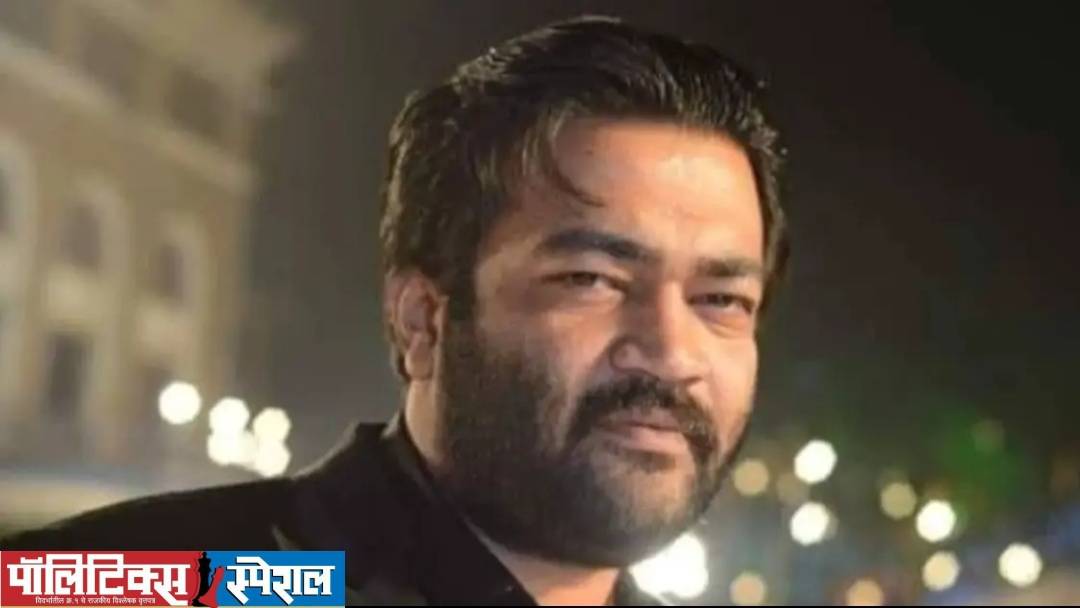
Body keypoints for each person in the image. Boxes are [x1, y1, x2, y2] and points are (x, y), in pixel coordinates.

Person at [2, 15, 788, 605]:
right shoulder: (129, 585)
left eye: (721, 300)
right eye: (591, 279)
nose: (672, 349)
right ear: (422, 320)